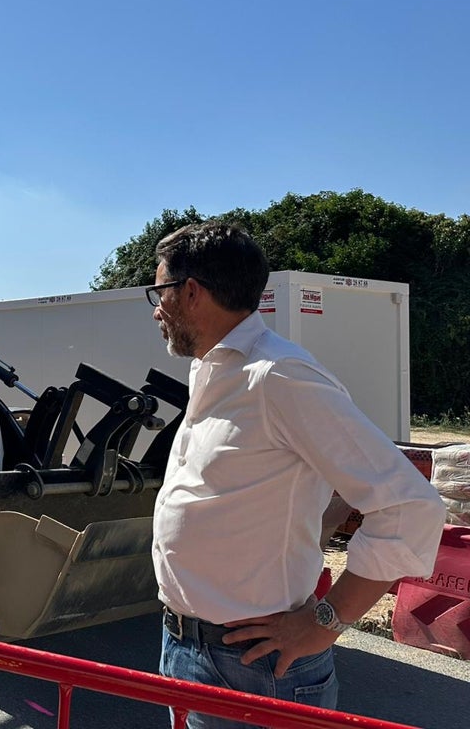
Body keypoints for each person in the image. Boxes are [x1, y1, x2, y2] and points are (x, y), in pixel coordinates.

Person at [147, 222, 444, 728]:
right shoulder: (212, 370)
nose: (156, 309)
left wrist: (326, 621)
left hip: (256, 667)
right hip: (188, 646)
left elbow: (409, 507)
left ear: (190, 292)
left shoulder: (277, 376)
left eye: (159, 292)